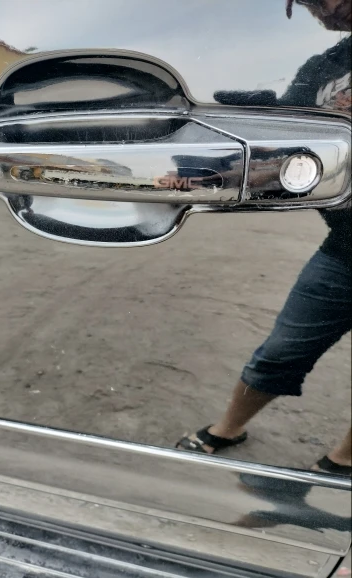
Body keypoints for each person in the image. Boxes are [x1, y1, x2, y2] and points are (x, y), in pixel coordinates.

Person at [177, 0, 352, 476]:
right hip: (345, 251)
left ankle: (343, 461)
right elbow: (286, 139)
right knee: (281, 350)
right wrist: (262, 119)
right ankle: (227, 428)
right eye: (306, 3)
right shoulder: (323, 68)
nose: (321, 9)